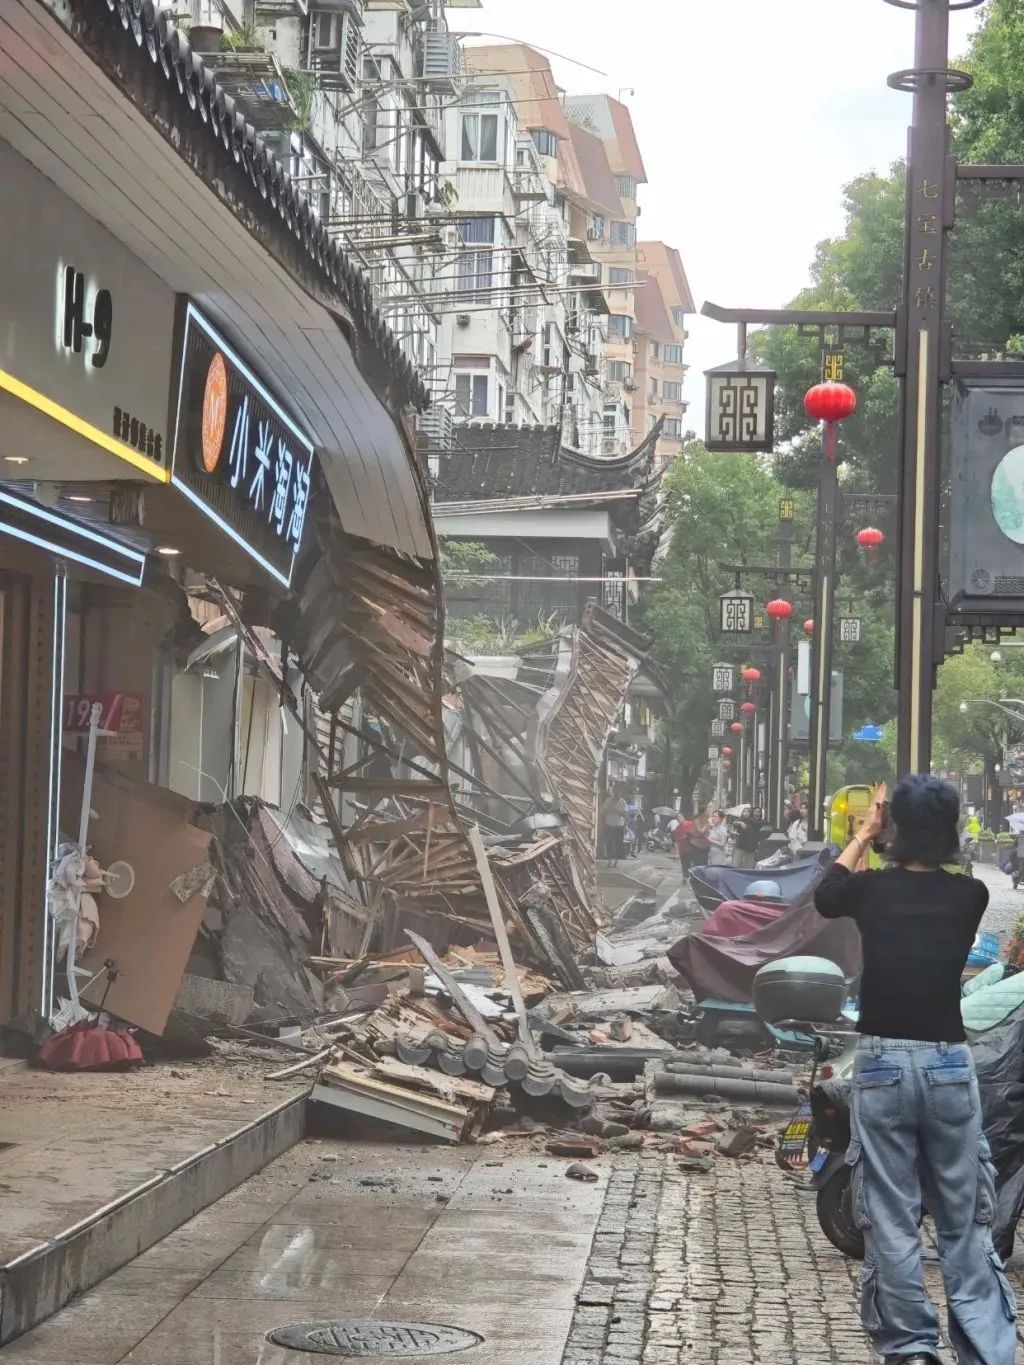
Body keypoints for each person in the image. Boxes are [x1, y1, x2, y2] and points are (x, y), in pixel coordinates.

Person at [814, 777, 1016, 1365]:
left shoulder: (870, 891)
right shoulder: (970, 895)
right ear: (952, 828)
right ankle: (985, 1351)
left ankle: (910, 1350)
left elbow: (828, 894)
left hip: (881, 1068)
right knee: (964, 1220)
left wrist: (863, 834)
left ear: (894, 826)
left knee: (893, 1219)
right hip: (950, 1067)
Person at [675, 811, 709, 878]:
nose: (679, 819)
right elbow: (677, 839)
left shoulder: (690, 824)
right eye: (677, 818)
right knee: (684, 864)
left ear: (683, 817)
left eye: (680, 817)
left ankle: (692, 877)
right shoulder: (677, 828)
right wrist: (678, 848)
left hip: (691, 848)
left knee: (692, 865)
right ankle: (685, 878)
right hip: (682, 849)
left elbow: (695, 833)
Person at [600, 787, 628, 867]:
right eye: (615, 792)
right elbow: (602, 811)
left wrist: (616, 810)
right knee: (609, 844)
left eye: (618, 792)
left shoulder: (623, 802)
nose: (616, 794)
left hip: (619, 826)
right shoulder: (608, 800)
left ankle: (616, 862)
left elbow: (625, 814)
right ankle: (609, 861)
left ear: (620, 793)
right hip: (608, 825)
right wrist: (608, 809)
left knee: (618, 844)